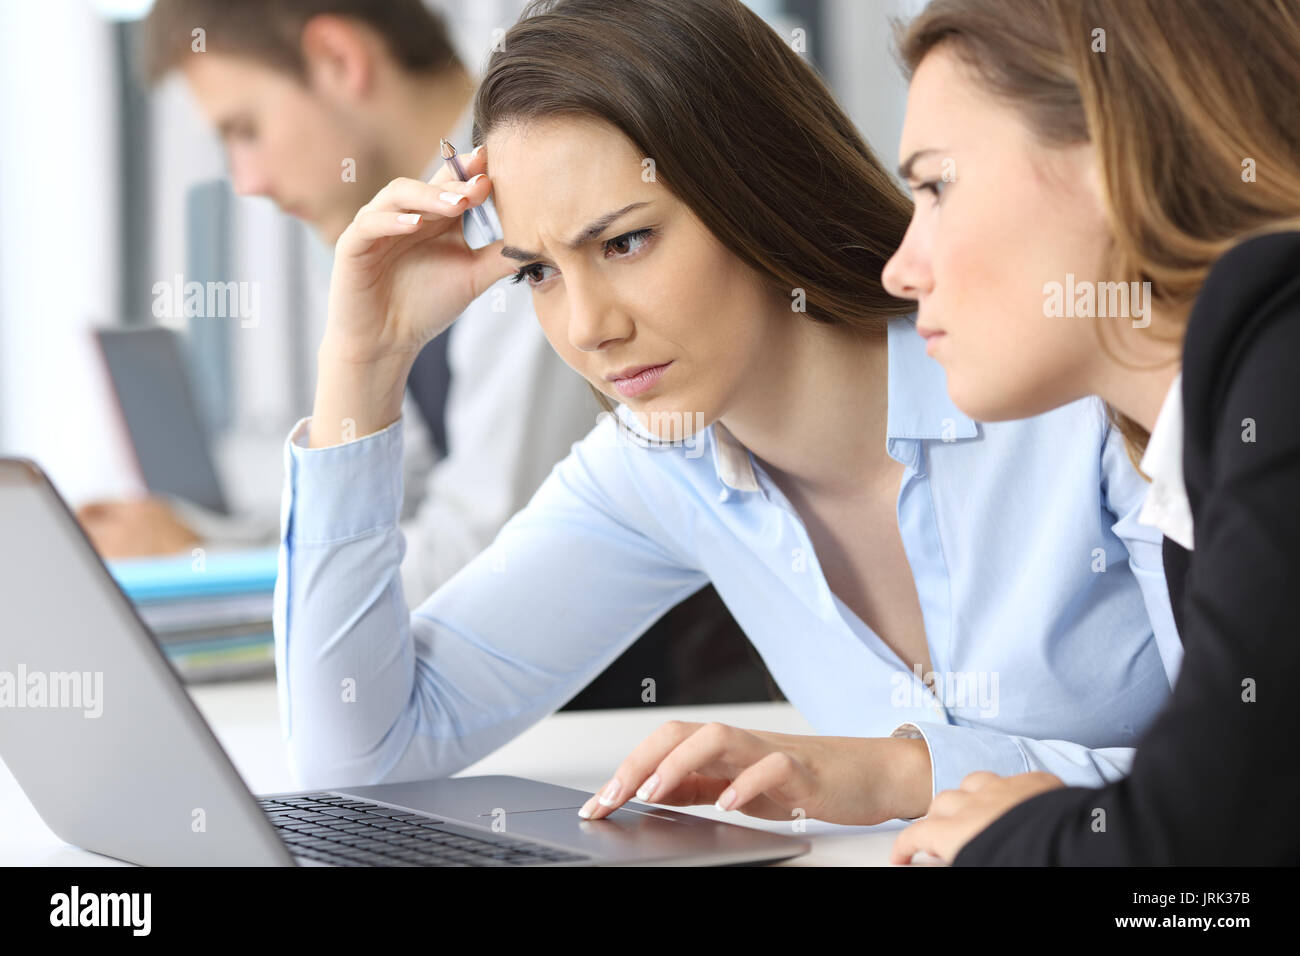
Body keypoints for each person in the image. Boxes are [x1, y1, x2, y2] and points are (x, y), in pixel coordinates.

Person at [274, 0, 1183, 826]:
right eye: (537, 272)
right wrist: (366, 359)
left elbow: (1254, 784)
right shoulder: (658, 464)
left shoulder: (1074, 390)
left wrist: (901, 775)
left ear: (755, 191)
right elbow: (359, 752)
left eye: (626, 241)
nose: (588, 328)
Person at [81, 0, 765, 708]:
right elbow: (404, 486)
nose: (245, 179)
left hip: (641, 710)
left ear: (340, 60)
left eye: (245, 128)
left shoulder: (532, 202)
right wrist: (200, 542)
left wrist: (212, 577)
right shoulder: (425, 229)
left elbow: (475, 557)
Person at [883, 0, 1300, 864]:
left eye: (934, 186)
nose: (901, 268)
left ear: (1117, 154)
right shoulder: (1211, 442)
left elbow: (1199, 848)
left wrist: (1021, 837)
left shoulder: (1283, 339)